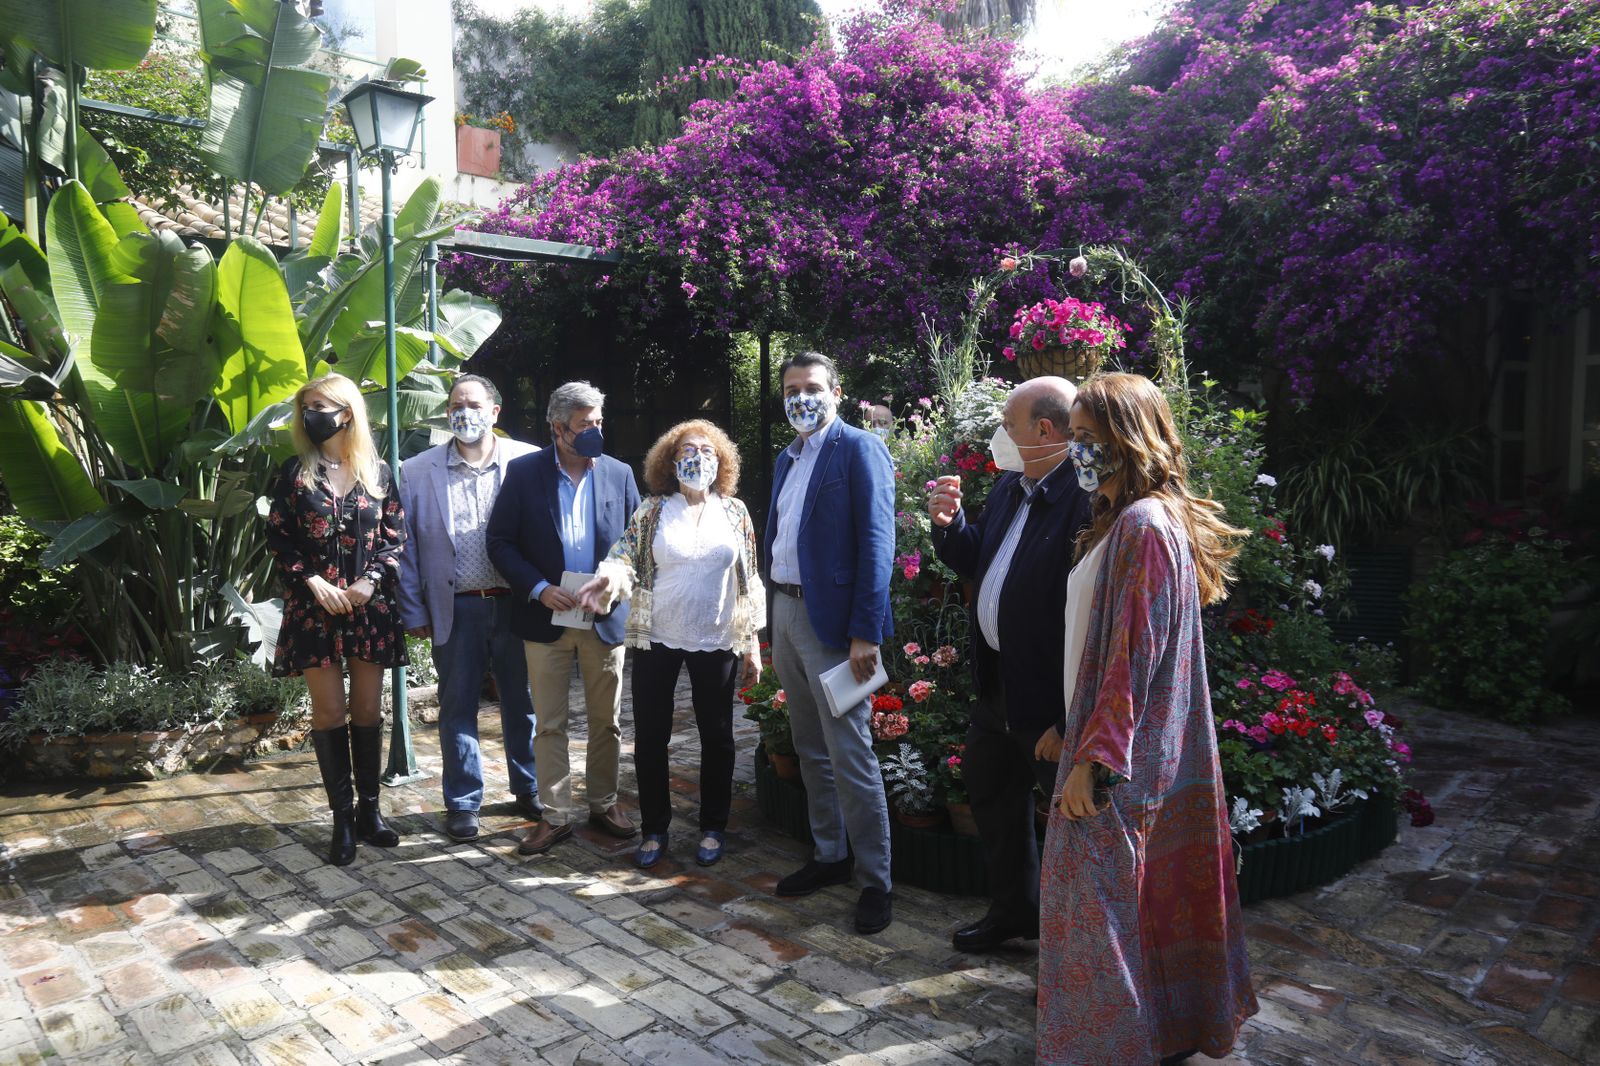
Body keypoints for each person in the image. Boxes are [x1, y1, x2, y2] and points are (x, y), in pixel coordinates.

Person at [1037, 372, 1257, 1064]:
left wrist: (1095, 762)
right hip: (1123, 745)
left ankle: (1105, 1050)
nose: (1076, 453)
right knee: (1133, 912)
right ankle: (1150, 1037)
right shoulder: (1128, 518)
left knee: (1095, 913)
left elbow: (1133, 651)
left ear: (1127, 441)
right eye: (1073, 439)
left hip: (1119, 763)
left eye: (1088, 440)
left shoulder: (1143, 524)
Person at [926, 376, 1092, 952]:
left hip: (1045, 700)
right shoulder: (1010, 488)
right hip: (997, 686)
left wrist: (1067, 719)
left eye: (1008, 425)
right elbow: (979, 560)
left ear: (1044, 430)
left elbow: (1092, 622)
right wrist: (949, 529)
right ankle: (1014, 912)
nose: (1000, 435)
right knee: (994, 799)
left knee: (1078, 830)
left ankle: (1074, 956)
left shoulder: (1083, 499)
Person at [576, 421, 764, 869]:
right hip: (656, 637)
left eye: (706, 450)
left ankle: (713, 827)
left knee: (718, 736)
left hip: (717, 637)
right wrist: (608, 578)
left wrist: (753, 643)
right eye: (687, 449)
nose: (697, 456)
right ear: (670, 459)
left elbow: (749, 579)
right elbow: (623, 556)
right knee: (652, 737)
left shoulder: (735, 512)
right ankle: (655, 829)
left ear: (721, 461)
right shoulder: (653, 510)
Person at [764, 351, 897, 935]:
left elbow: (877, 542)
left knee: (851, 753)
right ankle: (829, 855)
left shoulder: (860, 449)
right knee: (808, 744)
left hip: (837, 626)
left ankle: (876, 880)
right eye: (792, 389)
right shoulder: (785, 457)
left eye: (812, 387)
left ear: (837, 391)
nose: (802, 398)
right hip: (788, 611)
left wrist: (865, 631)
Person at [487, 381, 641, 855]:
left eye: (598, 422)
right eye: (584, 425)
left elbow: (636, 546)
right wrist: (538, 588)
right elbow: (500, 542)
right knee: (549, 722)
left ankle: (603, 802)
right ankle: (554, 816)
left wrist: (612, 584)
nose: (594, 431)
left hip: (602, 618)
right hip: (545, 618)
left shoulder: (618, 473)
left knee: (606, 721)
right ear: (558, 429)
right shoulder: (524, 472)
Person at [265, 373, 407, 866]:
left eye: (320, 405)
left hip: (368, 609)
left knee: (367, 710)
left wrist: (370, 580)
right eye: (306, 406)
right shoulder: (294, 472)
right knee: (328, 714)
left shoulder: (379, 472)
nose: (311, 414)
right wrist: (313, 582)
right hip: (314, 611)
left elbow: (395, 538)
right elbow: (279, 540)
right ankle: (341, 820)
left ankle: (371, 812)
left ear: (347, 411)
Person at [397, 374, 541, 844]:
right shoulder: (416, 471)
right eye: (456, 404)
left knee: (522, 703)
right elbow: (406, 549)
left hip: (517, 604)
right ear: (446, 412)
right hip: (456, 608)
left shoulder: (528, 461)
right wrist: (414, 610)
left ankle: (529, 787)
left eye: (474, 403)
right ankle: (462, 802)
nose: (465, 412)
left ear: (495, 411)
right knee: (457, 706)